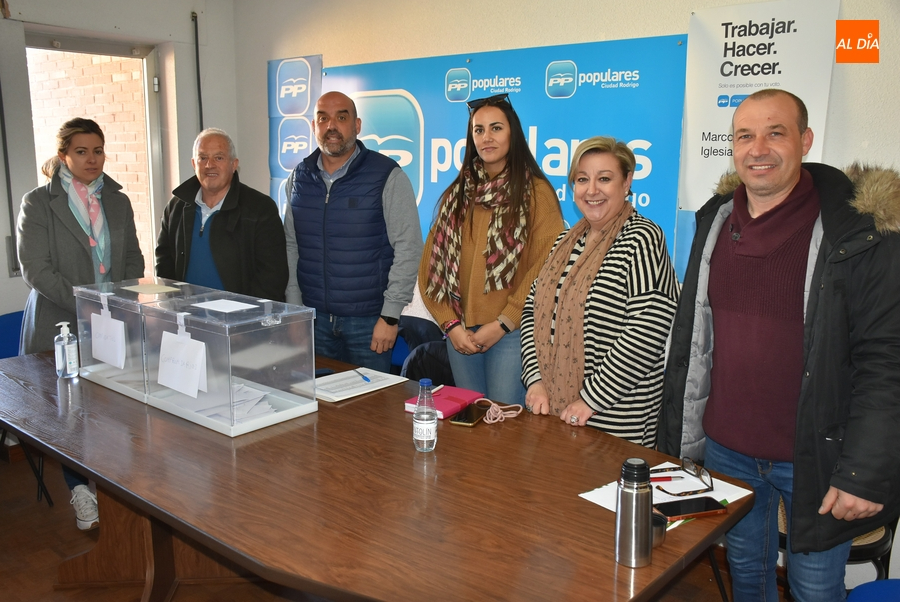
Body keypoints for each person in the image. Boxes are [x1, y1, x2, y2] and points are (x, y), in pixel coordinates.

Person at [658, 89, 900, 602]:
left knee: (815, 589)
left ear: (805, 141)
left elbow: (887, 360)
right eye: (745, 135)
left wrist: (863, 472)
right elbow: (692, 343)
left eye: (776, 132)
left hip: (814, 456)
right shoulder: (716, 221)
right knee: (747, 575)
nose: (758, 148)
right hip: (727, 450)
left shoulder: (855, 233)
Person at [17, 117, 145, 530]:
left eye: (98, 150)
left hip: (112, 321)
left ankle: (115, 486)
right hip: (61, 322)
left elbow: (132, 260)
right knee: (69, 416)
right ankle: (80, 492)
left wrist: (121, 300)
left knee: (112, 411)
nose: (92, 159)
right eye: (81, 151)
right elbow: (36, 270)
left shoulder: (118, 200)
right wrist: (86, 304)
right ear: (63, 156)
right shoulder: (38, 203)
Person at [520, 137, 679, 445]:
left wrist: (591, 400)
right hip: (553, 411)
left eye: (604, 178)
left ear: (627, 181)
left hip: (614, 420)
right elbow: (531, 312)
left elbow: (649, 329)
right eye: (582, 180)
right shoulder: (563, 242)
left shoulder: (642, 238)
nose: (591, 190)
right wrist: (535, 380)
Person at [419, 94, 563, 406]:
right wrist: (451, 325)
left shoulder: (537, 193)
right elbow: (430, 268)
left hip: (512, 333)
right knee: (473, 422)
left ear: (513, 133)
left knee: (506, 427)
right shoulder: (459, 193)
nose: (487, 137)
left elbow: (545, 268)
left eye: (496, 128)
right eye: (478, 130)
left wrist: (503, 323)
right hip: (461, 334)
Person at [284, 92, 422, 372]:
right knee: (320, 409)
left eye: (341, 117)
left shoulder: (387, 175)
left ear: (357, 125)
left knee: (371, 409)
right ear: (313, 127)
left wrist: (390, 317)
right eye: (323, 118)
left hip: (369, 323)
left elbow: (409, 248)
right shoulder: (299, 178)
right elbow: (291, 246)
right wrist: (295, 310)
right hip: (313, 320)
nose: (331, 126)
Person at [156, 128, 288, 301]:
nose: (209, 165)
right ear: (194, 164)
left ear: (234, 164)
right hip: (186, 319)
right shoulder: (175, 208)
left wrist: (246, 317)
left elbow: (273, 277)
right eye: (202, 158)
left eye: (218, 157)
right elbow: (164, 263)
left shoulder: (260, 209)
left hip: (241, 321)